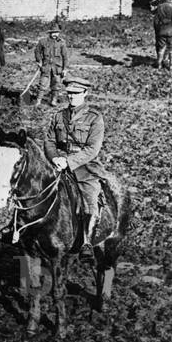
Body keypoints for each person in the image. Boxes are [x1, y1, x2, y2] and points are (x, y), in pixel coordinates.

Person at [43, 76, 107, 253]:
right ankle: (19, 228)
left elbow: (93, 149)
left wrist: (69, 162)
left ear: (85, 93)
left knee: (90, 198)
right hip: (57, 164)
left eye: (76, 93)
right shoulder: (58, 116)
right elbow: (49, 140)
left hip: (84, 166)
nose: (72, 97)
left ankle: (87, 240)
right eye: (69, 93)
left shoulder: (94, 118)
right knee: (32, 187)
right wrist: (55, 158)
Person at [33, 22, 69, 105]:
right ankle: (38, 101)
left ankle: (54, 100)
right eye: (53, 32)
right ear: (49, 33)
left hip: (57, 68)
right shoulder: (43, 42)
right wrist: (39, 61)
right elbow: (37, 51)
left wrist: (65, 69)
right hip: (46, 67)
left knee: (56, 85)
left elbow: (65, 57)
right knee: (42, 85)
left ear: (58, 33)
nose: (55, 34)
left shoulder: (61, 43)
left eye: (56, 32)